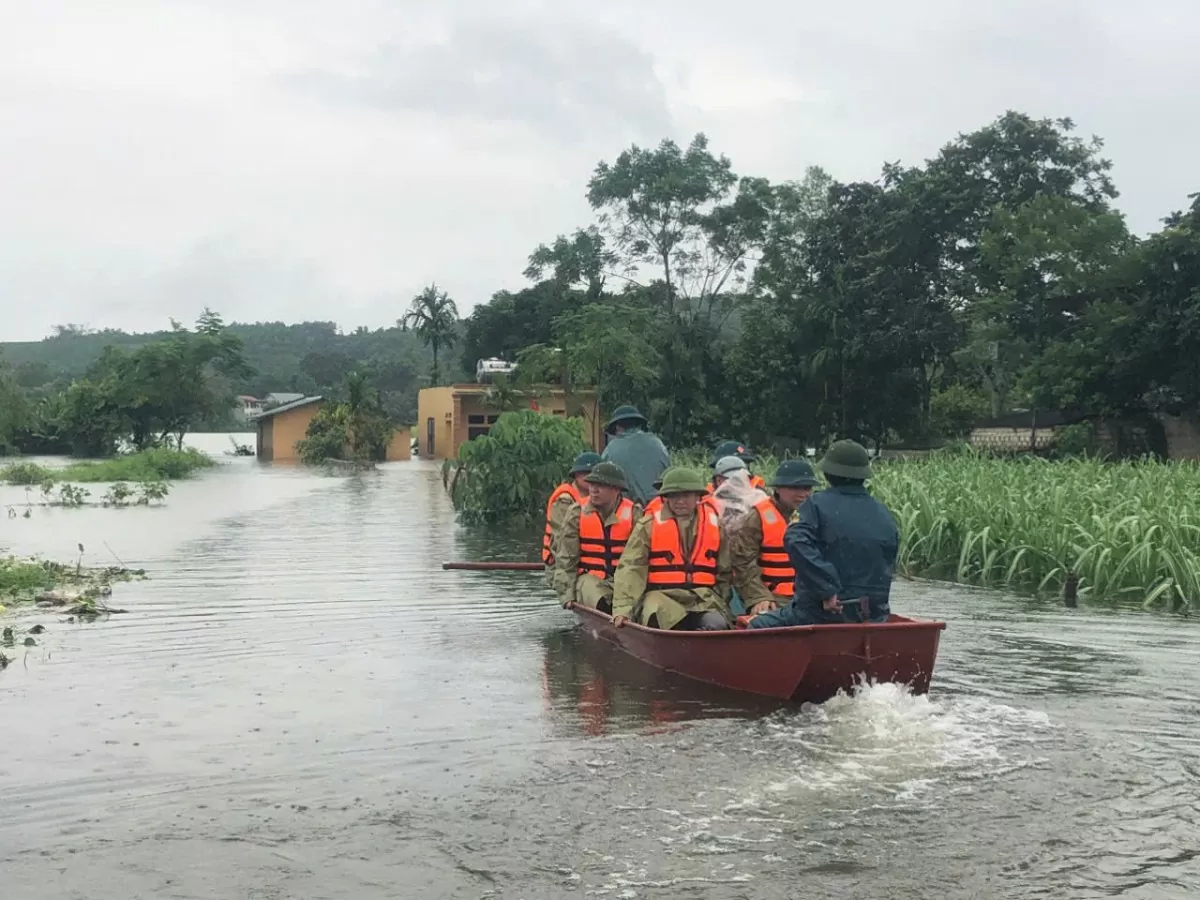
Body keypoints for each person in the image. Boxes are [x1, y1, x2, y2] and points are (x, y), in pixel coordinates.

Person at [747, 441, 898, 628]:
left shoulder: (815, 506)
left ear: (828, 474)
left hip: (821, 612)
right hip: (873, 615)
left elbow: (795, 541)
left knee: (757, 625)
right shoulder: (883, 513)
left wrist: (827, 590)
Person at [611, 467, 733, 631]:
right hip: (661, 596)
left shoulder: (715, 525)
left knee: (717, 624)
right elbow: (631, 568)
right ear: (666, 498)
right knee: (658, 616)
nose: (680, 500)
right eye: (674, 496)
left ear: (698, 496)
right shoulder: (648, 525)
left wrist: (721, 599)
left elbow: (724, 570)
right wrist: (623, 609)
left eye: (686, 495)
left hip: (703, 598)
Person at [731, 459, 820, 617]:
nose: (802, 494)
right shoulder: (757, 517)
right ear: (778, 489)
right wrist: (759, 597)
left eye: (807, 488)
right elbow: (743, 564)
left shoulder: (817, 515)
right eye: (794, 488)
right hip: (772, 598)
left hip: (810, 597)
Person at [552, 462, 640, 613]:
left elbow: (641, 559)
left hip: (624, 581)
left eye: (600, 485)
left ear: (616, 489)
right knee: (591, 589)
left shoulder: (634, 513)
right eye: (591, 484)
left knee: (639, 602)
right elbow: (566, 558)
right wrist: (566, 595)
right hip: (590, 579)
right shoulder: (577, 512)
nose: (593, 490)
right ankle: (605, 612)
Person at [601, 405, 669, 506]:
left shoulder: (610, 450)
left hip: (626, 512)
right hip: (658, 509)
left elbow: (601, 481)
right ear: (639, 425)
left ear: (617, 427)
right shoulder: (658, 444)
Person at [542, 451, 601, 566]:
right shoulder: (564, 499)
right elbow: (563, 538)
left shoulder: (597, 499)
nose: (592, 479)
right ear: (576, 475)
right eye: (586, 474)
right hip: (559, 562)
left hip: (584, 561)